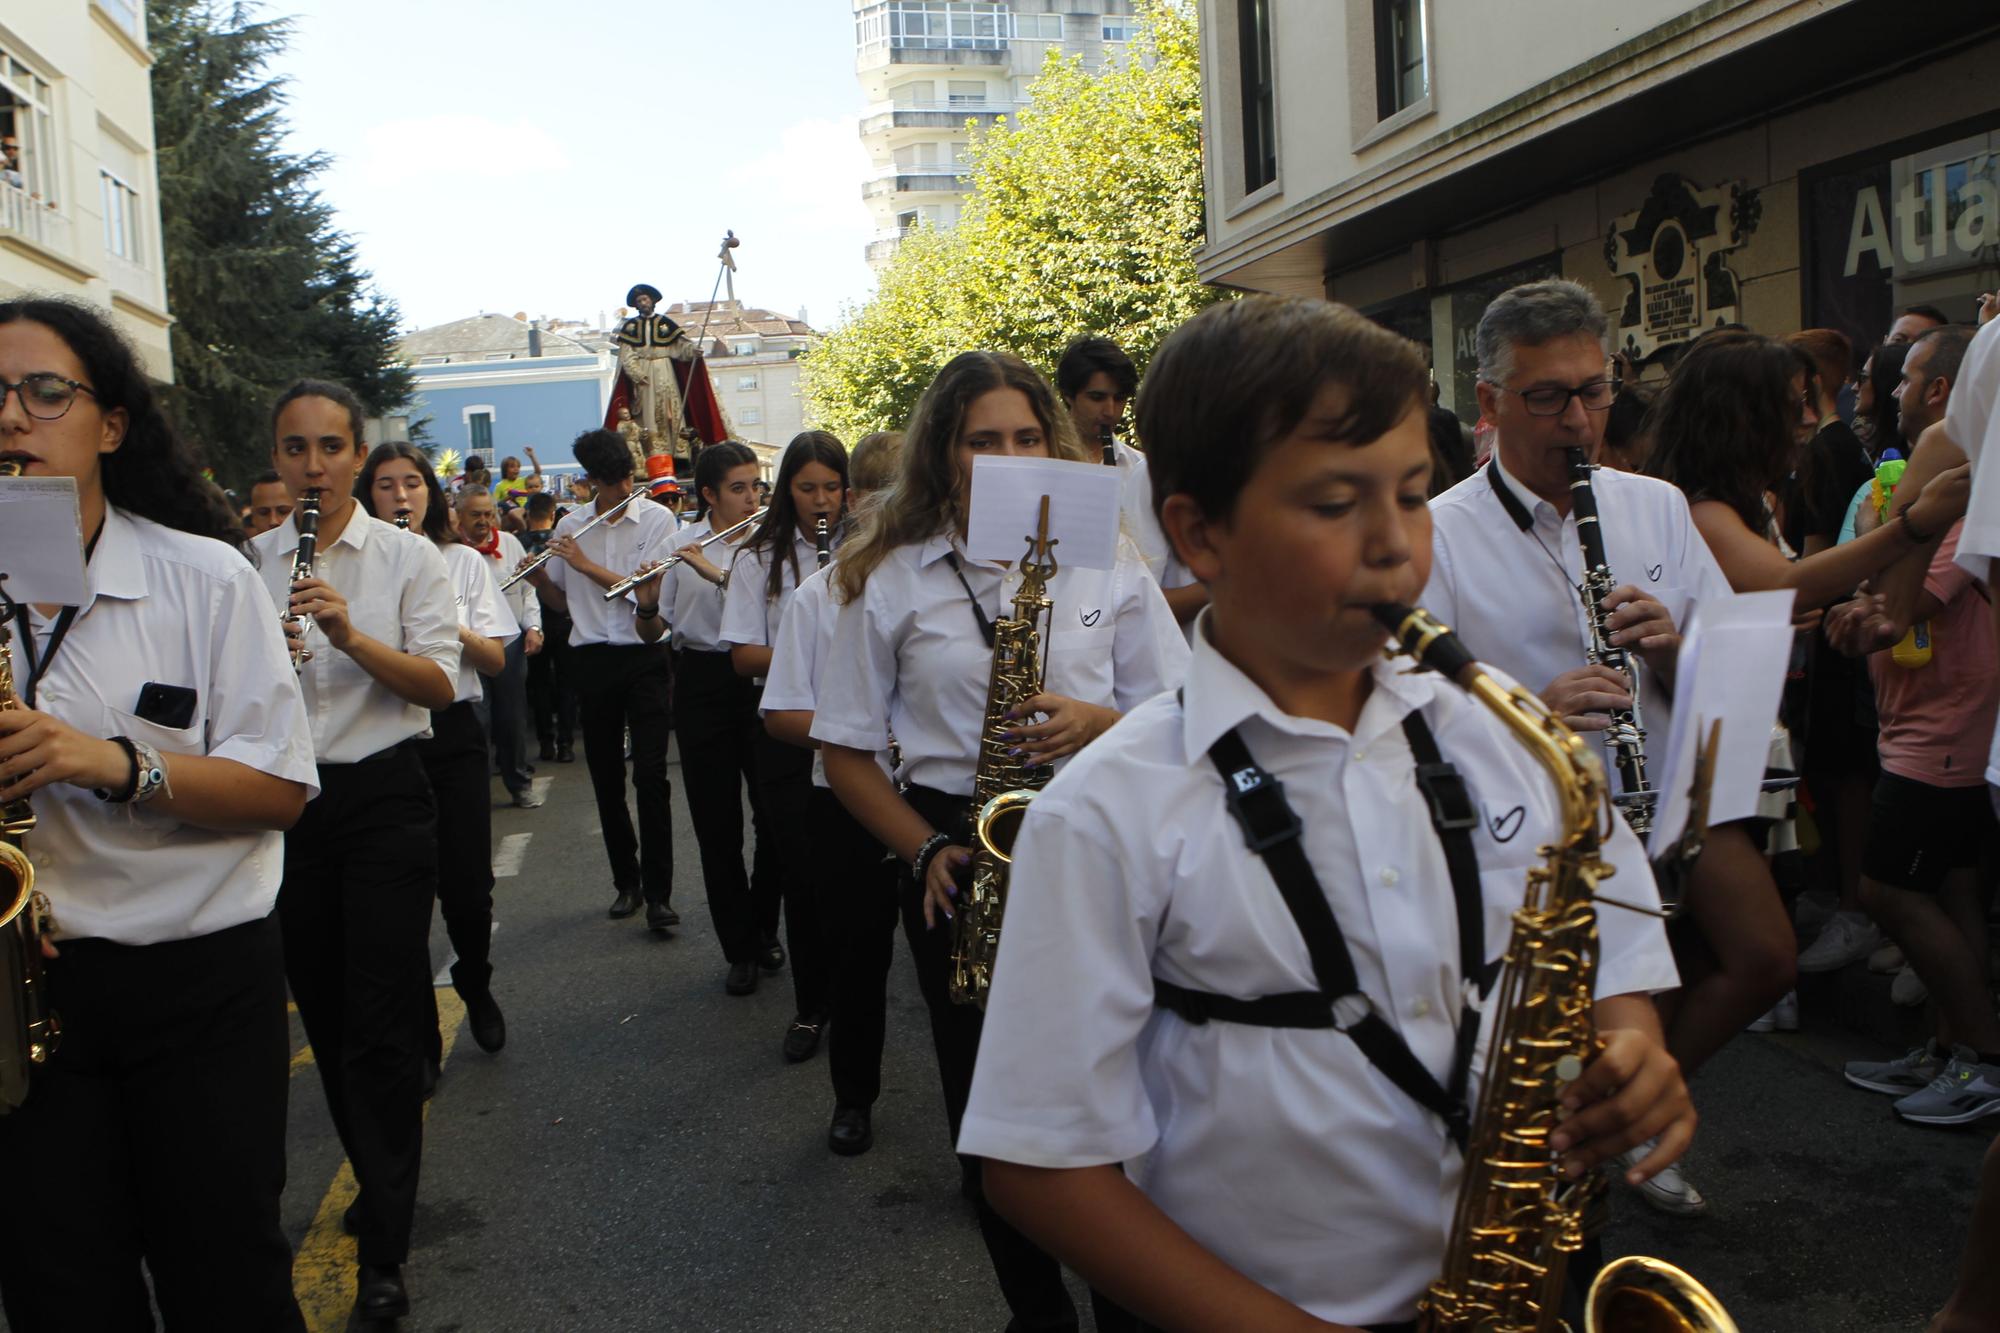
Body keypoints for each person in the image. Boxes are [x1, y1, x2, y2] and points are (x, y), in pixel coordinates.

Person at [956, 294, 1687, 1333]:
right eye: (1336, 503)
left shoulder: (1506, 737)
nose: (1395, 547)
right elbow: (1036, 1166)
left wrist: (1629, 1040)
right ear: (1198, 531)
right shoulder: (1107, 810)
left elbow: (1610, 950)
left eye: (1412, 494)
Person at [814, 350, 1188, 1332]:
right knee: (994, 1119)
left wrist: (1098, 723)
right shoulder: (888, 576)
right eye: (985, 440)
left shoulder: (1106, 552)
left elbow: (1183, 708)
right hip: (958, 851)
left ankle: (1129, 1304)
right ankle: (1035, 1312)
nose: (1011, 456)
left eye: (1028, 437)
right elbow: (844, 753)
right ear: (945, 452)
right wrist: (921, 849)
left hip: (1099, 836)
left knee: (1120, 1098)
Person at [0, 298, 316, 1331]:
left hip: (198, 985)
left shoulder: (205, 577)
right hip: (27, 988)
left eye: (46, 392)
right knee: (58, 1287)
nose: (12, 417)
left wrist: (109, 762)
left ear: (111, 423)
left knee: (224, 1274)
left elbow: (277, 791)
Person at [1421, 280, 1732, 1217]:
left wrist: (1676, 648)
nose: (1580, 420)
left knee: (1641, 1016)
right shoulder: (1436, 533)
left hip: (1647, 820)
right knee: (1542, 1066)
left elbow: (1734, 674)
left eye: (1594, 391)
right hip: (1523, 853)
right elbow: (1411, 722)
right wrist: (1532, 716)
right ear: (1489, 405)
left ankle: (1609, 1150)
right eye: (1548, 397)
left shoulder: (1658, 507)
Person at [251, 379, 461, 1324]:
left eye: (331, 448)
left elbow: (441, 685)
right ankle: (379, 1178)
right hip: (292, 804)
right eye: (296, 450)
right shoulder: (247, 565)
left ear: (355, 454)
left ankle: (386, 1240)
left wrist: (347, 632)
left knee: (378, 1017)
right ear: (278, 459)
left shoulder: (410, 557)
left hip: (382, 796)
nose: (314, 467)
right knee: (329, 1017)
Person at [1824, 325, 2000, 1124]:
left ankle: (1985, 1055)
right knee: (1950, 885)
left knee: (1888, 888)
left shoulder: (1963, 493)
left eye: (1907, 379)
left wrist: (1868, 607)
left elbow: (1907, 607)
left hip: (1947, 731)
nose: (1890, 390)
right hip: (1915, 724)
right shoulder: (1920, 489)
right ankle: (1951, 1046)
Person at [761, 430, 905, 1154]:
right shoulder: (821, 594)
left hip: (935, 795)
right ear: (856, 503)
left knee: (961, 972)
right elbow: (782, 710)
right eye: (879, 496)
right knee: (857, 961)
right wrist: (857, 734)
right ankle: (853, 1097)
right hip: (845, 799)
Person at [360, 445, 514, 1068]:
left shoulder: (461, 563)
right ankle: (418, 1030)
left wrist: (438, 622)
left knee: (468, 886)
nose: (401, 497)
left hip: (452, 732)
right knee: (400, 895)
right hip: (386, 731)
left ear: (432, 494)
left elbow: (496, 660)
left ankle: (475, 982)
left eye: (412, 484)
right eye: (387, 485)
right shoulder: (356, 565)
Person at [719, 431, 848, 1058]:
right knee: (803, 872)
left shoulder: (872, 549)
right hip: (787, 729)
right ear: (786, 491)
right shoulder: (757, 557)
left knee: (858, 878)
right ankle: (811, 1005)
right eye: (807, 489)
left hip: (857, 726)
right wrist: (808, 647)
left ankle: (855, 1003)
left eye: (831, 488)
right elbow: (743, 655)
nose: (821, 501)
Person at [633, 441, 776, 987]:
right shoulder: (679, 545)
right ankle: (738, 947)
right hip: (702, 682)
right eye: (737, 489)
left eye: (755, 487)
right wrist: (647, 602)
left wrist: (718, 572)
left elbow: (776, 615)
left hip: (763, 679)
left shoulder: (772, 542)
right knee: (717, 826)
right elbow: (653, 632)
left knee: (774, 817)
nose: (750, 498)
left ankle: (765, 928)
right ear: (709, 494)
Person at [523, 428, 678, 928]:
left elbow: (641, 592)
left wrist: (584, 564)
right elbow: (563, 606)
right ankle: (626, 883)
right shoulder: (573, 525)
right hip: (591, 659)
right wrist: (542, 578)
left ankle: (659, 893)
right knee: (606, 776)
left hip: (643, 652)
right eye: (610, 483)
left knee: (651, 775)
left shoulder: (658, 519)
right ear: (590, 482)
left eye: (626, 479)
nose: (621, 490)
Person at [1057, 335, 1210, 627]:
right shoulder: (1046, 465)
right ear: (1067, 394)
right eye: (1097, 397)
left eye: (1120, 399)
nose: (1110, 411)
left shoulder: (1140, 467)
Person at [459, 484, 542, 809]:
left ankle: (519, 784)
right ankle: (475, 789)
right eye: (475, 514)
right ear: (458, 514)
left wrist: (533, 628)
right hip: (468, 648)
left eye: (488, 513)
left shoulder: (509, 544)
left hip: (509, 644)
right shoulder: (451, 550)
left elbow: (528, 591)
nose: (484, 520)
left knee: (511, 718)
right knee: (475, 721)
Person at [616, 284, 699, 474]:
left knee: (671, 411)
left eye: (645, 299)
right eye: (639, 301)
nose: (643, 303)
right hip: (644, 373)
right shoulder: (630, 327)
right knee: (648, 416)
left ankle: (677, 457)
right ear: (636, 306)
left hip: (665, 370)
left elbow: (681, 346)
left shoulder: (665, 324)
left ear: (652, 301)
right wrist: (637, 374)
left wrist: (693, 350)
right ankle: (652, 458)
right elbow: (626, 355)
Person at [521, 490, 576, 763]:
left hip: (532, 623)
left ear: (526, 515)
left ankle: (545, 742)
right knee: (566, 683)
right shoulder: (561, 543)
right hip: (563, 619)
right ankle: (566, 743)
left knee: (539, 684)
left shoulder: (517, 543)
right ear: (552, 515)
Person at [245, 468, 294, 537]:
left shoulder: (312, 546)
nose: (273, 521)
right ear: (253, 517)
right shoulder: (241, 547)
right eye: (264, 513)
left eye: (283, 511)